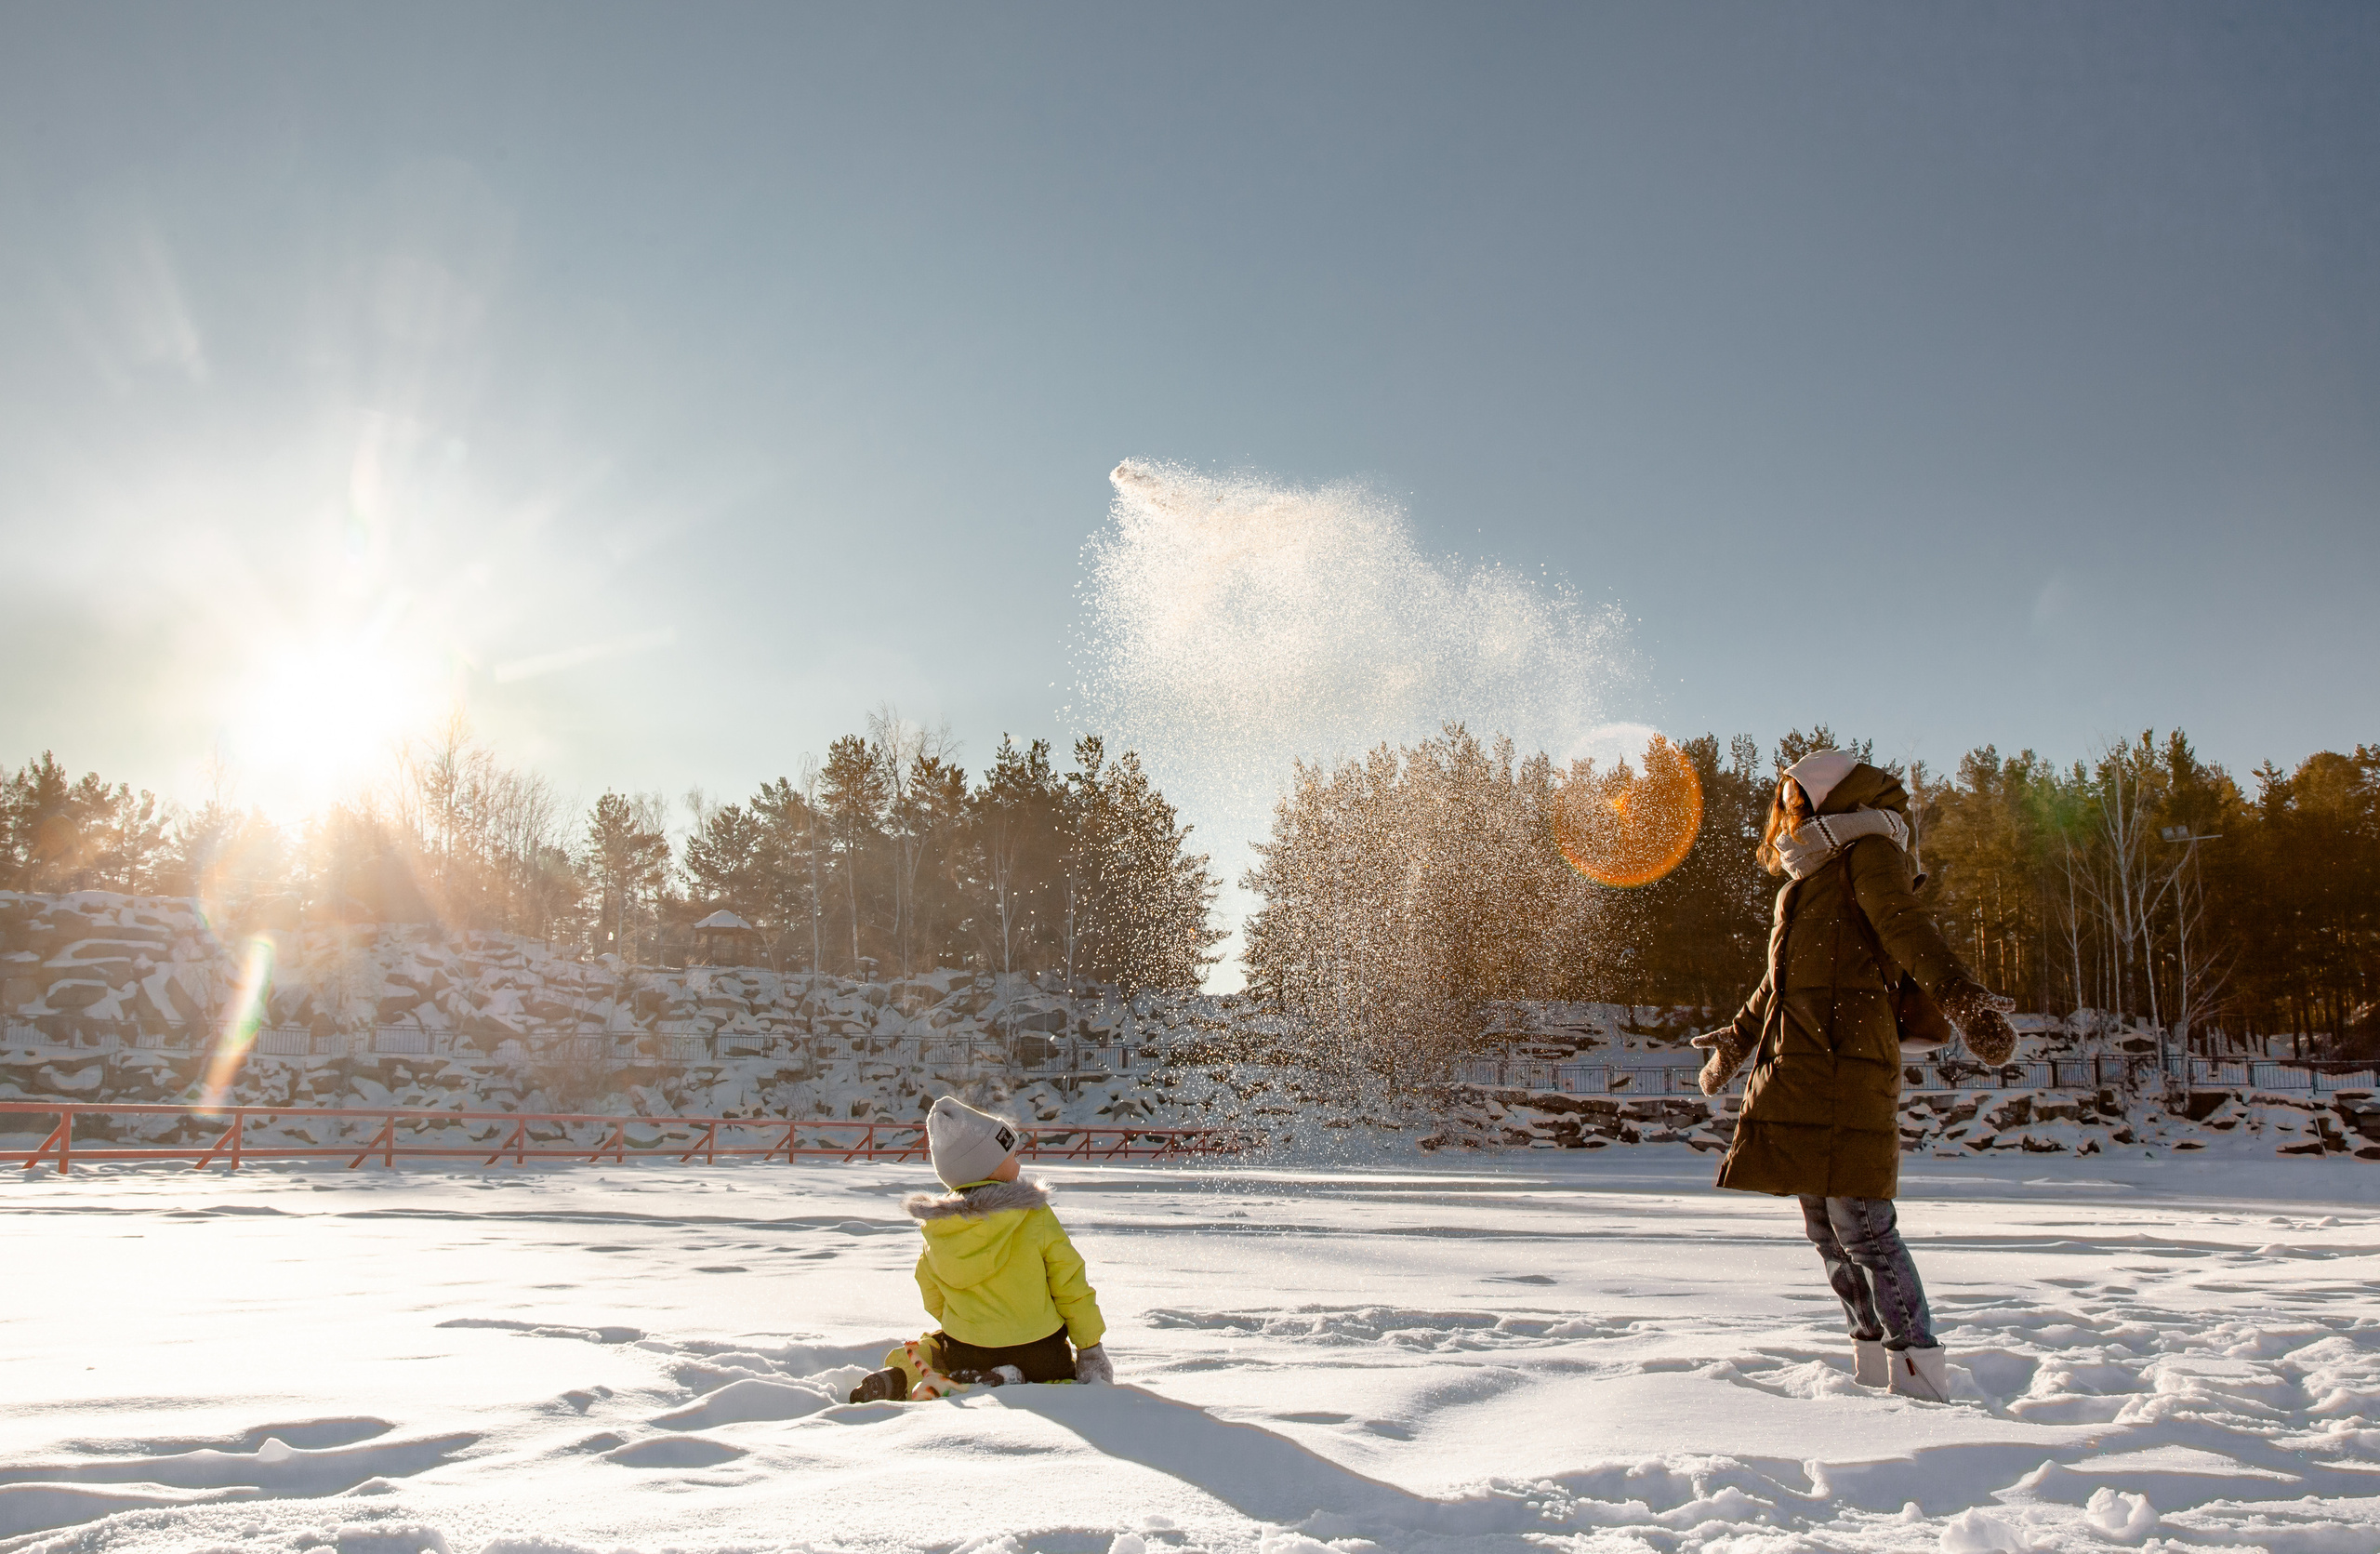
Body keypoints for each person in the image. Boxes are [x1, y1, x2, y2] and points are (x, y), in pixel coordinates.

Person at [1690, 750, 2017, 1403]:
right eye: (1783, 804)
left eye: (1795, 801)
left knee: (1863, 1224)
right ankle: (1869, 1362)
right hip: (1801, 1066)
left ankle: (1919, 1371)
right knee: (1823, 1226)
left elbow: (1907, 929)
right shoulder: (1806, 881)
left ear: (1827, 797)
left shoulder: (1869, 853)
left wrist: (1963, 999)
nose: (1785, 815)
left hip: (1847, 1064)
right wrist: (1737, 1036)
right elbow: (1778, 982)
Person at [847, 1095, 1111, 1402]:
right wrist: (1090, 1347)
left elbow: (929, 1289)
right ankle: (1013, 1378)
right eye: (1012, 1155)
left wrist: (968, 1320)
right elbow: (1070, 1283)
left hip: (967, 1351)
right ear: (989, 1168)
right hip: (1041, 1351)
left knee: (933, 1344)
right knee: (1050, 1370)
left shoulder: (938, 1226)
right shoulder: (1033, 1215)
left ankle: (905, 1376)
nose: (1019, 1161)